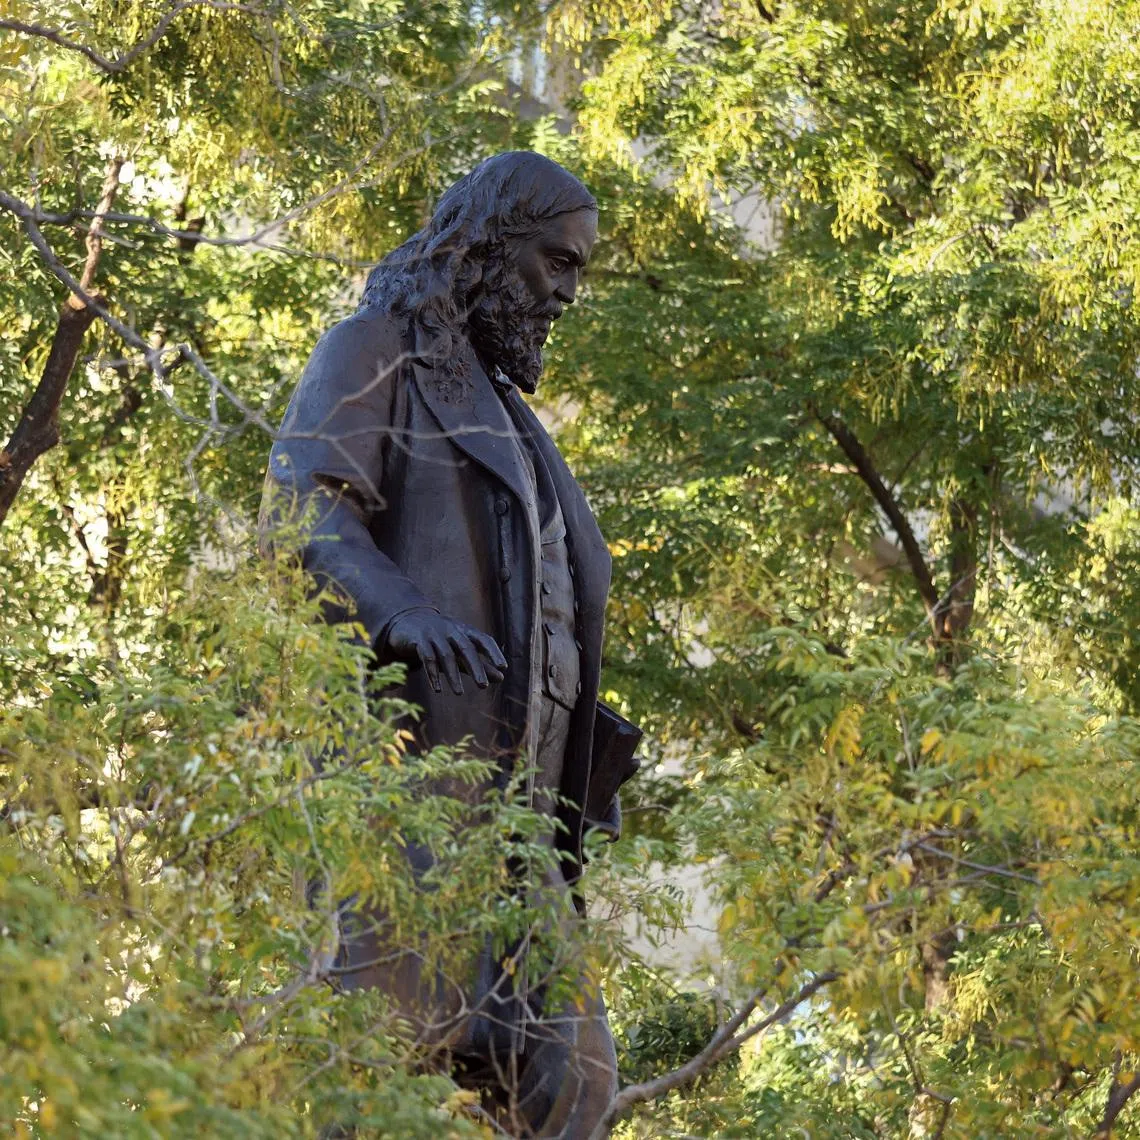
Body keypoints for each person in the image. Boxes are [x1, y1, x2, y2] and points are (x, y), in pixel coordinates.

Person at [260, 152, 640, 1138]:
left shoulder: (516, 419)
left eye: (579, 271)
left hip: (521, 838)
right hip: (404, 804)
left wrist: (578, 719)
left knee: (577, 1081)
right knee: (369, 1076)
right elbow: (302, 509)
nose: (566, 293)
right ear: (483, 247)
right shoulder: (373, 352)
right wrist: (399, 610)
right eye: (556, 262)